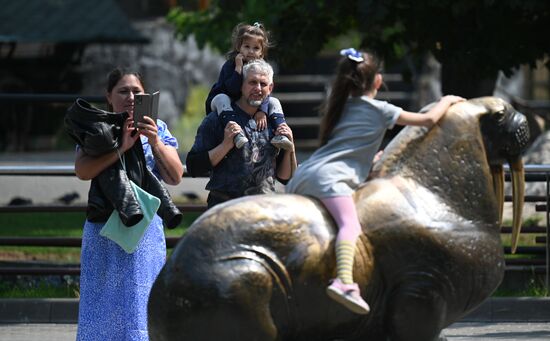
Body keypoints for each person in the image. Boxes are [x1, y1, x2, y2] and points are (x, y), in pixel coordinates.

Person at [285, 48, 464, 315]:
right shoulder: (381, 109)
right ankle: (345, 282)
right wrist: (447, 101)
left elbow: (348, 147)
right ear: (377, 81)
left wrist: (370, 161)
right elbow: (426, 120)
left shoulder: (340, 106)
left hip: (305, 174)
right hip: (330, 180)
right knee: (350, 226)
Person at [74, 67, 183, 340]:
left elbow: (175, 176)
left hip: (144, 232)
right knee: (102, 305)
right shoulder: (97, 127)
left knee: (141, 303)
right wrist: (121, 147)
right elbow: (83, 171)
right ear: (108, 96)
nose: (131, 97)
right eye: (123, 91)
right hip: (104, 231)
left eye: (137, 91)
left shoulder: (158, 128)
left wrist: (154, 141)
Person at [187, 59, 296, 208]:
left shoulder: (274, 122)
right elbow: (193, 166)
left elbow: (285, 178)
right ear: (241, 85)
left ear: (270, 88)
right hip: (224, 208)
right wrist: (225, 145)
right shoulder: (218, 119)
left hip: (263, 209)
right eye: (252, 82)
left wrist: (290, 149)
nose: (258, 88)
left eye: (263, 84)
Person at [205, 22, 294, 151]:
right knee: (222, 98)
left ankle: (281, 134)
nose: (251, 51)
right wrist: (238, 68)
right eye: (247, 46)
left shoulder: (262, 69)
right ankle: (236, 133)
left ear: (262, 52)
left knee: (274, 101)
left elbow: (266, 92)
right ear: (239, 47)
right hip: (223, 101)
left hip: (247, 103)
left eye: (256, 48)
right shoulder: (230, 65)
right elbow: (232, 89)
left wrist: (262, 111)